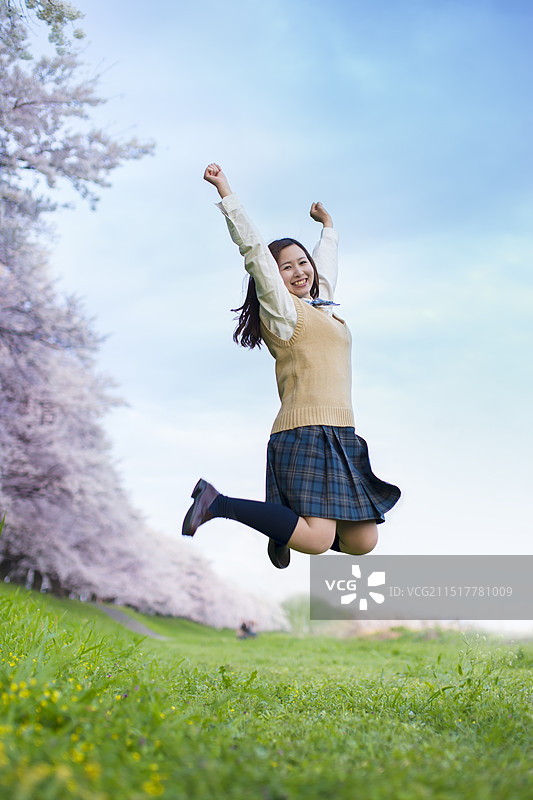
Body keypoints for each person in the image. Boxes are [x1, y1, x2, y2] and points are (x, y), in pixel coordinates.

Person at [182, 163, 400, 569]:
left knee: (363, 540)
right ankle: (218, 503)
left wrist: (328, 228)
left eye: (303, 263)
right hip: (305, 433)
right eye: (287, 267)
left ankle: (284, 525)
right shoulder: (283, 313)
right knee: (318, 542)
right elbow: (254, 254)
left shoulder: (324, 307)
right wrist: (226, 192)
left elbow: (326, 267)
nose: (299, 271)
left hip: (342, 433)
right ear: (275, 279)